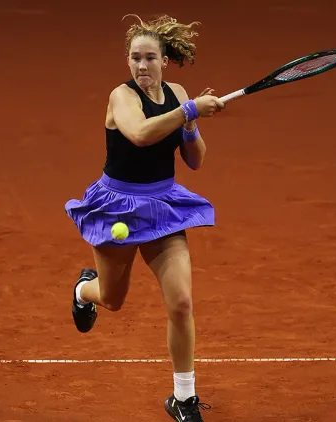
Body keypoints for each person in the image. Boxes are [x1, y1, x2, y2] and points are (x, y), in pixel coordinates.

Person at [63, 13, 225, 422]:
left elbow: (195, 160)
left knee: (182, 303)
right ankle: (83, 291)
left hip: (162, 207)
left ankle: (183, 397)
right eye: (135, 58)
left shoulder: (177, 93)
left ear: (164, 61)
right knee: (112, 300)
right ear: (127, 61)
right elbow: (139, 134)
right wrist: (189, 109)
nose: (142, 66)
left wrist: (191, 123)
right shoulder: (122, 97)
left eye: (150, 58)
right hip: (116, 205)